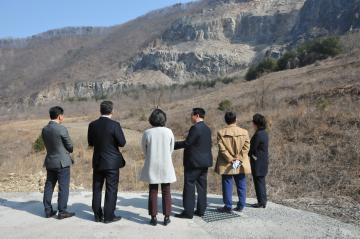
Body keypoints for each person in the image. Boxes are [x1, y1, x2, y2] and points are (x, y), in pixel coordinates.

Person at [88, 101, 126, 223]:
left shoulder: (92, 125)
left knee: (97, 188)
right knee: (111, 189)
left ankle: (97, 215)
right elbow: (122, 142)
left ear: (100, 110)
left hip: (98, 161)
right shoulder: (115, 125)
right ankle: (109, 216)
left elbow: (91, 143)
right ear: (112, 111)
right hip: (112, 163)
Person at [174, 108, 213, 219]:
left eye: (191, 115)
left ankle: (188, 212)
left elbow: (188, 143)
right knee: (202, 187)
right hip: (205, 162)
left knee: (189, 186)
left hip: (193, 163)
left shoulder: (195, 128)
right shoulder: (207, 129)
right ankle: (201, 210)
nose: (190, 117)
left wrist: (173, 145)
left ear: (196, 115)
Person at [140, 109, 176, 226]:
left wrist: (150, 156)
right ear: (163, 119)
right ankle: (166, 217)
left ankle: (153, 217)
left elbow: (144, 150)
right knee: (166, 191)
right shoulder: (169, 131)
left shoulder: (147, 132)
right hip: (166, 164)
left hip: (152, 164)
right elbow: (171, 149)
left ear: (152, 119)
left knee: (153, 191)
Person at [42, 106, 75, 219]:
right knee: (63, 187)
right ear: (60, 116)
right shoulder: (61, 129)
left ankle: (47, 210)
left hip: (50, 161)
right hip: (62, 163)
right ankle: (62, 211)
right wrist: (69, 150)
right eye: (63, 115)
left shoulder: (45, 129)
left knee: (49, 185)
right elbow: (70, 146)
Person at [215, 112, 250, 213]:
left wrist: (230, 159)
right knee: (241, 183)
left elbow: (222, 149)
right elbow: (246, 147)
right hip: (240, 162)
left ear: (226, 120)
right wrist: (239, 158)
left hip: (227, 163)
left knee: (227, 184)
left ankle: (228, 206)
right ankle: (241, 205)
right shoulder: (245, 132)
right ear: (236, 119)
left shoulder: (221, 132)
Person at [249, 113, 269, 208]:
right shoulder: (264, 133)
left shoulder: (258, 134)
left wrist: (249, 154)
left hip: (257, 162)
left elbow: (252, 148)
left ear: (255, 123)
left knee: (258, 182)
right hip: (263, 161)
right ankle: (263, 200)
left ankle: (261, 202)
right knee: (261, 181)